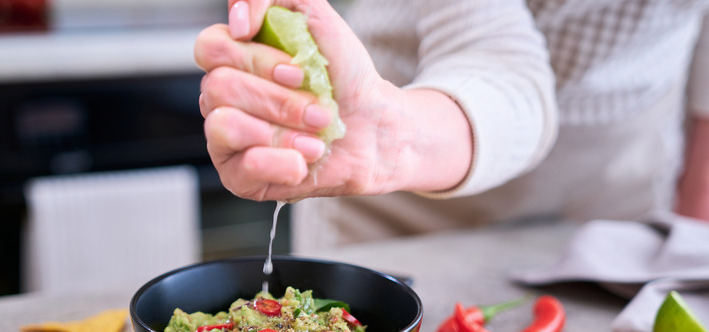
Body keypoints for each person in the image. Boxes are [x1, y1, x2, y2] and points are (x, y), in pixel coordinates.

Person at [195, 0, 709, 252]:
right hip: (404, 191)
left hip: (619, 191)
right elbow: (492, 56)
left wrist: (691, 239)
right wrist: (393, 139)